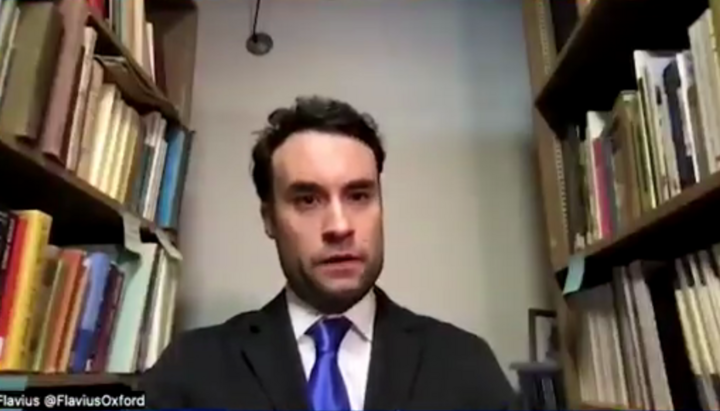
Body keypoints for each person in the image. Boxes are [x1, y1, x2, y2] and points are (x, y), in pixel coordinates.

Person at [139, 96, 520, 410]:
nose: (339, 226)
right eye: (307, 199)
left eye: (359, 196)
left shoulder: (465, 363)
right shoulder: (191, 367)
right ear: (269, 219)